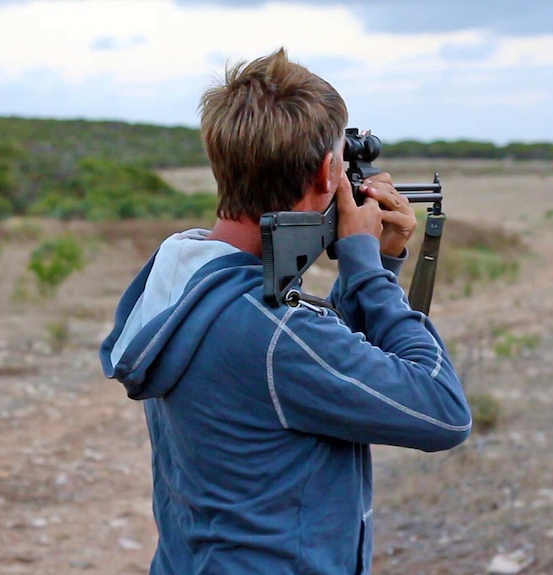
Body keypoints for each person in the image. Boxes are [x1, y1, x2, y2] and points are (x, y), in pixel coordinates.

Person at [99, 48, 471, 574]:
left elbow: (320, 366)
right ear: (327, 172)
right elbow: (442, 412)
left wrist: (380, 264)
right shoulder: (269, 332)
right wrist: (363, 270)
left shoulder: (187, 281)